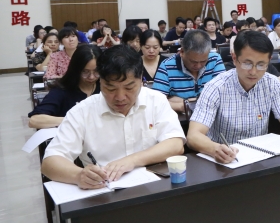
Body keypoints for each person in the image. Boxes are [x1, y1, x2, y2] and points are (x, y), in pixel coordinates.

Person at [40, 45, 186, 189]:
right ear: (100, 81)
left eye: (129, 88)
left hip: (154, 187)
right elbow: (50, 162)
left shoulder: (156, 101)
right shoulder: (82, 112)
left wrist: (132, 160)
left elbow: (175, 144)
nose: (120, 97)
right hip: (105, 192)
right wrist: (78, 176)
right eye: (110, 88)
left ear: (141, 80)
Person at [186, 30, 280, 161]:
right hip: (225, 161)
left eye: (261, 65)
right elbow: (193, 136)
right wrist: (214, 149)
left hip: (260, 158)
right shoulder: (215, 87)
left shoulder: (272, 83)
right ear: (234, 59)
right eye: (247, 64)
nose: (253, 72)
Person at [29, 46, 102, 129]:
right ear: (76, 70)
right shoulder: (62, 91)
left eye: (96, 71)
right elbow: (34, 120)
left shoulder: (105, 89)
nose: (92, 77)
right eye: (85, 72)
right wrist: (74, 120)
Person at [152, 29, 225, 112]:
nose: (198, 66)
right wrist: (181, 106)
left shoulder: (215, 59)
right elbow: (156, 102)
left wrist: (185, 102)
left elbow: (222, 95)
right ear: (182, 52)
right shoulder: (167, 66)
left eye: (203, 61)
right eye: (193, 62)